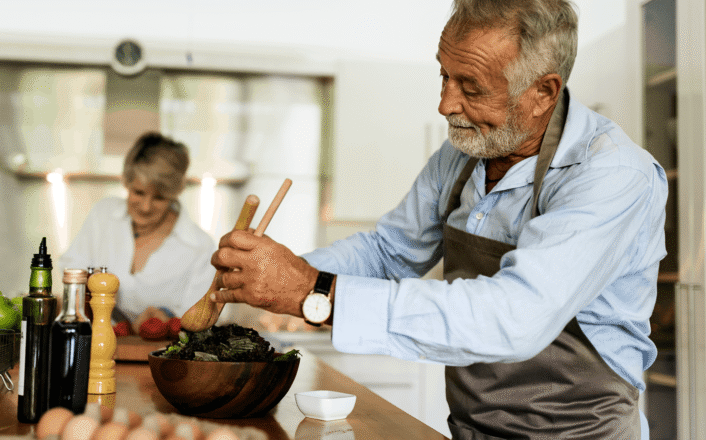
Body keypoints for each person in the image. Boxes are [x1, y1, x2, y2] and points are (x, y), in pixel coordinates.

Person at [207, 0, 667, 438]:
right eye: (444, 75)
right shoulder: (465, 152)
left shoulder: (612, 174)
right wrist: (272, 275)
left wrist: (315, 292)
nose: (446, 104)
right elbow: (388, 252)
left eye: (471, 87)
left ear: (542, 92)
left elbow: (514, 318)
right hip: (471, 428)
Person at [60, 132, 216, 334]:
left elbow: (200, 317)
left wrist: (165, 317)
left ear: (175, 193)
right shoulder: (103, 215)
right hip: (94, 342)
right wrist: (89, 287)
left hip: (161, 357)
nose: (145, 206)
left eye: (159, 198)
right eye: (138, 192)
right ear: (127, 183)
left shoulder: (201, 247)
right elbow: (71, 267)